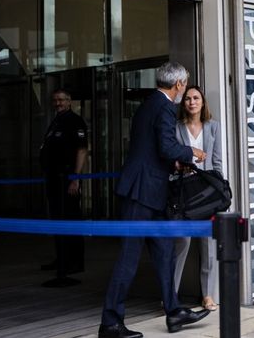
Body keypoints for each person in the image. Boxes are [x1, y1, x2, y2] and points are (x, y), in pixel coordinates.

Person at [99, 62, 210, 338]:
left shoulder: (150, 104)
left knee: (164, 253)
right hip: (141, 192)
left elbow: (152, 150)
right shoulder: (163, 107)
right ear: (179, 84)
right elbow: (166, 146)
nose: (185, 89)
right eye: (185, 84)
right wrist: (190, 152)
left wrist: (174, 165)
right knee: (129, 258)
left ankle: (174, 312)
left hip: (152, 191)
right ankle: (110, 323)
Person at [172, 85, 222, 312]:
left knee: (208, 245)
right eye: (188, 99)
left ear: (202, 102)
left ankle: (208, 295)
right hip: (184, 191)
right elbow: (171, 159)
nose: (192, 102)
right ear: (183, 104)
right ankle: (170, 294)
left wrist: (219, 186)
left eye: (196, 98)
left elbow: (217, 161)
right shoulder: (177, 127)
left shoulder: (213, 127)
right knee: (182, 242)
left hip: (206, 192)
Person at [39, 88, 88, 288]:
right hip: (54, 180)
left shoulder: (75, 121)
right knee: (57, 218)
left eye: (61, 100)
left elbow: (82, 150)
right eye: (55, 100)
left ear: (69, 101)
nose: (58, 103)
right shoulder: (56, 121)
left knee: (70, 218)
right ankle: (61, 259)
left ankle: (73, 263)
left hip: (67, 180)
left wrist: (75, 178)